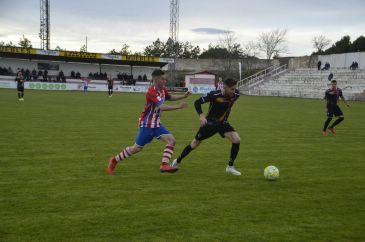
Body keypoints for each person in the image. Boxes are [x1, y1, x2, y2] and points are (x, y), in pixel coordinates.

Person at [107, 69, 191, 175]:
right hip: (147, 124)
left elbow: (169, 97)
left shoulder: (162, 89)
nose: (165, 81)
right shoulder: (151, 92)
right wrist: (178, 106)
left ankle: (164, 165)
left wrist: (183, 96)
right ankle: (114, 160)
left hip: (156, 123)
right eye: (162, 79)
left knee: (172, 140)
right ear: (156, 79)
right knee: (136, 148)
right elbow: (162, 106)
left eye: (165, 79)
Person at [171, 78, 242, 176]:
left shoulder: (236, 95)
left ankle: (230, 166)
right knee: (194, 144)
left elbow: (230, 104)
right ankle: (177, 161)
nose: (234, 91)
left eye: (235, 89)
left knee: (236, 140)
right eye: (232, 89)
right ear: (225, 87)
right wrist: (201, 115)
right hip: (210, 124)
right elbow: (197, 102)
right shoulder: (214, 94)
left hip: (223, 124)